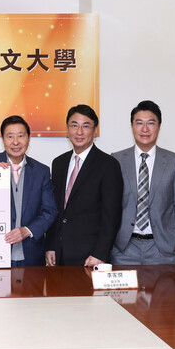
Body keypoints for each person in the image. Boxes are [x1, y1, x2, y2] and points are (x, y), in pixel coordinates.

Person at [112, 100, 175, 265]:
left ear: (159, 126)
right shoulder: (116, 160)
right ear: (132, 126)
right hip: (124, 249)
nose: (145, 129)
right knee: (125, 291)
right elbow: (109, 207)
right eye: (139, 123)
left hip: (162, 249)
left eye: (151, 123)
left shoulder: (174, 161)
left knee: (165, 291)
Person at [45, 104, 123, 267]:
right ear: (67, 129)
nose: (79, 132)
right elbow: (56, 209)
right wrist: (51, 246)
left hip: (91, 256)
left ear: (94, 130)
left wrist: (100, 253)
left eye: (85, 126)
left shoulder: (108, 165)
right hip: (60, 254)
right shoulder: (58, 163)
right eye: (74, 125)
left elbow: (112, 216)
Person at [0, 115, 57, 267]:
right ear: (3, 139)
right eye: (10, 136)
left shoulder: (42, 171)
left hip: (31, 255)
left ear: (28, 139)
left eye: (21, 136)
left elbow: (50, 211)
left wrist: (27, 230)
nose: (15, 142)